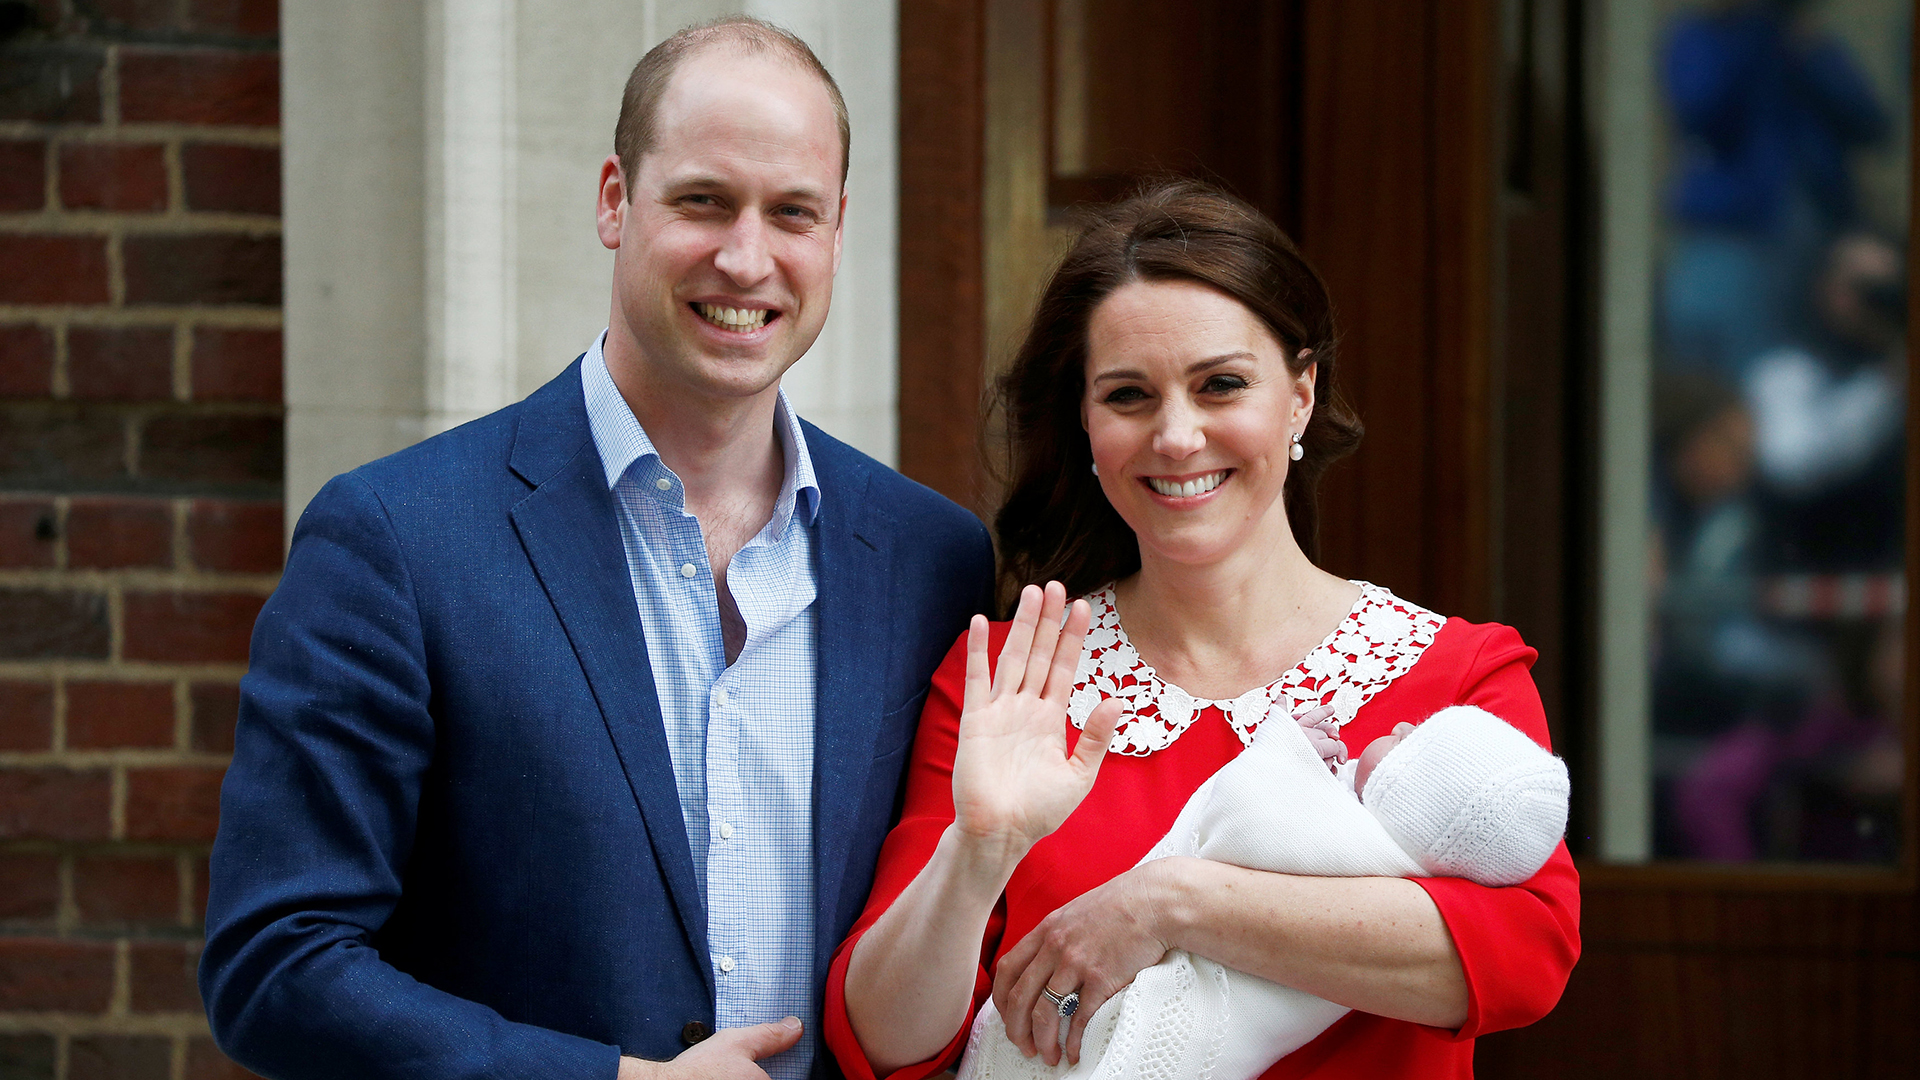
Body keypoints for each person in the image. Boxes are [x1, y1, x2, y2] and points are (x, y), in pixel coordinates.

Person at [199, 17, 993, 1080]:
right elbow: (275, 965)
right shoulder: (394, 540)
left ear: (839, 229)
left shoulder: (931, 557)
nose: (746, 257)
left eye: (791, 213)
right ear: (616, 199)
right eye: (703, 201)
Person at [825, 181, 1580, 1080]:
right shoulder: (1011, 677)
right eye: (1129, 395)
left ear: (1301, 395)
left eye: (1221, 384)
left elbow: (1525, 957)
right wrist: (977, 854)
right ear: (1086, 422)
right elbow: (882, 1042)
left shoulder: (1459, 671)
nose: (1178, 436)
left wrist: (1172, 903)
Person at [955, 704, 1570, 1080]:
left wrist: (1287, 754)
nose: (1404, 723)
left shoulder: (1357, 850)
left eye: (1411, 742)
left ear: (1408, 794)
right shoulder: (1399, 870)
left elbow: (1246, 824)